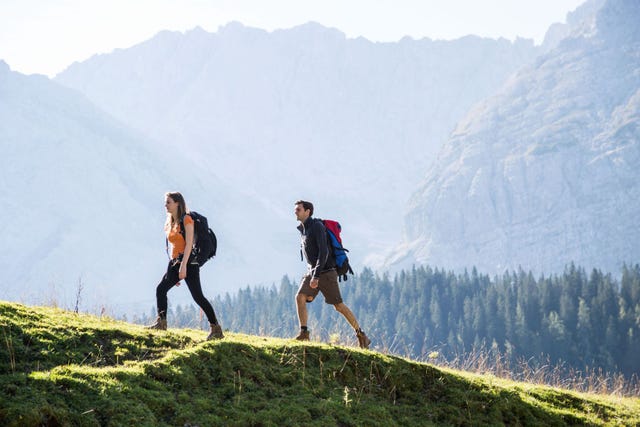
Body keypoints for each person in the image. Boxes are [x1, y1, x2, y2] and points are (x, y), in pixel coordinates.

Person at [293, 200, 371, 349]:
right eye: (295, 209)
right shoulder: (303, 229)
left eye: (298, 209)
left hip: (326, 272)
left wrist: (316, 276)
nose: (295, 212)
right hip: (312, 271)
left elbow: (324, 252)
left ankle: (362, 335)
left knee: (338, 306)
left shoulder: (317, 227)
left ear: (307, 211)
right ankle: (304, 333)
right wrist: (313, 274)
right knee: (300, 297)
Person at [147, 192, 223, 340]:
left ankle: (216, 329)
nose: (165, 205)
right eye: (165, 202)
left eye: (168, 202)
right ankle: (161, 323)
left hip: (189, 263)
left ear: (177, 203)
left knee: (198, 296)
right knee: (161, 289)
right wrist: (173, 269)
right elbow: (173, 245)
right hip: (175, 262)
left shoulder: (187, 220)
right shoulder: (170, 222)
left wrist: (183, 267)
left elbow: (189, 244)